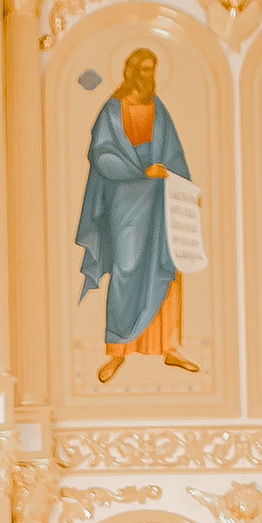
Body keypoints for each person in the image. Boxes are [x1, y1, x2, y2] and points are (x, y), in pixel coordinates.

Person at [75, 46, 199, 383]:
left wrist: (184, 191)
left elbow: (174, 153)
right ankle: (118, 350)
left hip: (161, 199)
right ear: (131, 71)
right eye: (142, 69)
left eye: (152, 69)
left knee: (166, 267)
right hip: (126, 199)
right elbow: (101, 154)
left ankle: (169, 347)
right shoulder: (113, 111)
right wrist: (140, 171)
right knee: (126, 268)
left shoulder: (159, 108)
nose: (147, 76)